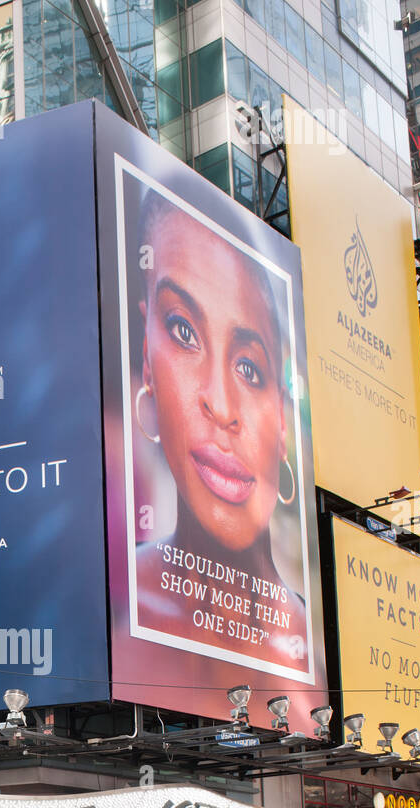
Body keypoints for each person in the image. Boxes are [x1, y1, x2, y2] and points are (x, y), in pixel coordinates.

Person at [133, 189, 310, 674]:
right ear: (148, 360)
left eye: (250, 368)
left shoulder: (312, 652)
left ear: (281, 412)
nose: (222, 405)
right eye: (184, 331)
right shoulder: (114, 613)